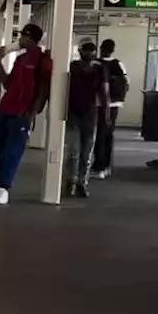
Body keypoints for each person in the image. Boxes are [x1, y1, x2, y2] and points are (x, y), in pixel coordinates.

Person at [0, 24, 52, 205]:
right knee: (0, 148)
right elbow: (9, 83)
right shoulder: (20, 60)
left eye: (22, 37)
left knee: (13, 150)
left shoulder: (42, 60)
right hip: (6, 108)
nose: (19, 40)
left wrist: (33, 112)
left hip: (22, 112)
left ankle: (4, 189)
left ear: (29, 38)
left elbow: (44, 88)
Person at [64, 42, 109, 198]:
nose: (89, 53)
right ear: (80, 51)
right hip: (73, 114)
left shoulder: (99, 69)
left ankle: (82, 182)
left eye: (92, 50)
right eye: (86, 50)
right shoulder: (73, 67)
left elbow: (104, 92)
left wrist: (106, 113)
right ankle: (71, 181)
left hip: (91, 115)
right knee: (74, 152)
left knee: (86, 154)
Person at [91, 38, 127, 180]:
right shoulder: (118, 64)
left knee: (99, 134)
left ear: (101, 48)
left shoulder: (96, 64)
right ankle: (106, 166)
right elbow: (126, 82)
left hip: (99, 103)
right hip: (115, 104)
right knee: (108, 134)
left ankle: (99, 166)